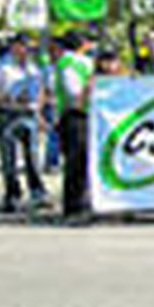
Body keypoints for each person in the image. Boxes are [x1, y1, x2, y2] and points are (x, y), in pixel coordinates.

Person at [0, 37, 48, 214]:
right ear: (14, 47)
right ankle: (12, 194)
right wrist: (10, 98)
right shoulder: (1, 68)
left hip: (29, 114)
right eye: (24, 47)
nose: (27, 51)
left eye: (29, 48)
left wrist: (39, 111)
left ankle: (37, 192)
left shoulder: (34, 69)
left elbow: (42, 91)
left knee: (33, 156)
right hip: (8, 113)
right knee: (9, 158)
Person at [54, 32, 96, 222]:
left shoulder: (77, 62)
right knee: (76, 163)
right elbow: (74, 92)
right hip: (76, 115)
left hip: (82, 114)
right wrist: (89, 88)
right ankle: (74, 207)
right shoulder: (71, 63)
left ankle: (81, 203)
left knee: (81, 163)